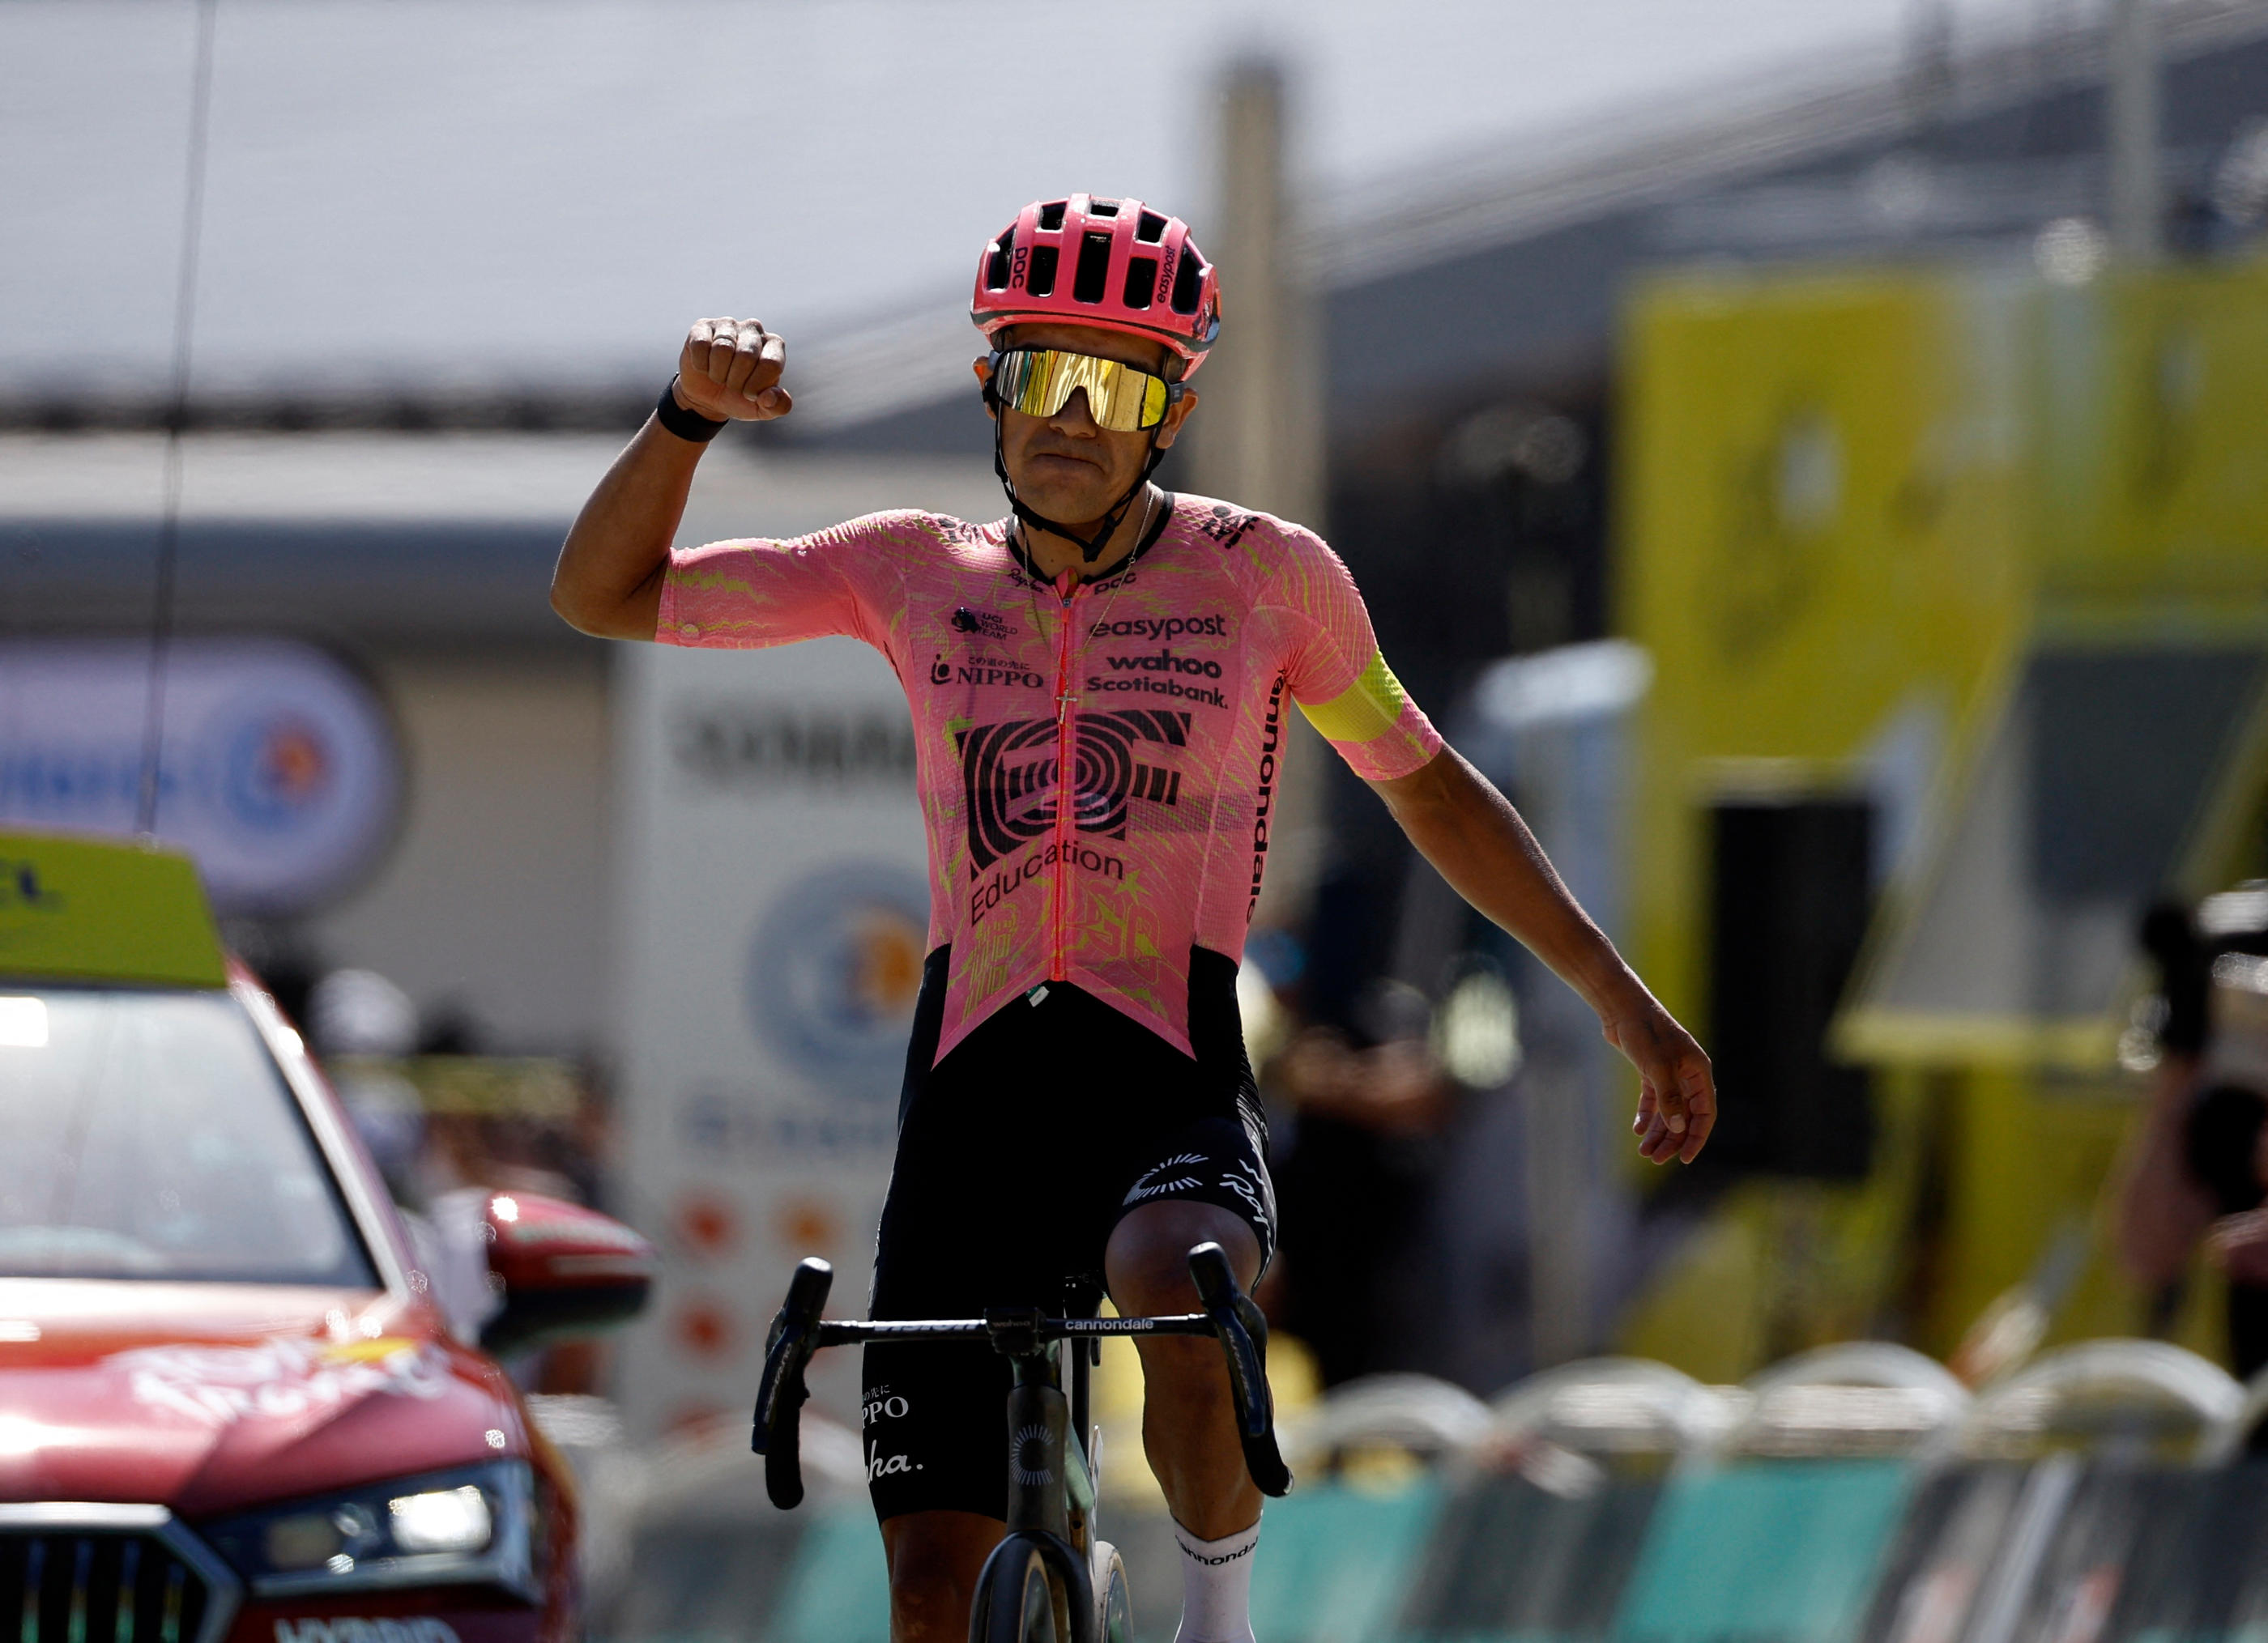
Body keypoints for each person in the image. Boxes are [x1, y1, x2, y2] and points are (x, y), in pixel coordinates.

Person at [551, 194, 1715, 1643]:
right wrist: (682, 421)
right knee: (925, 1594)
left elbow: (1434, 796)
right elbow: (601, 593)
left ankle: (1214, 1619)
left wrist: (1622, 1001)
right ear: (992, 385)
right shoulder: (907, 570)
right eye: (1042, 373)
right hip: (973, 1098)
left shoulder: (1266, 579)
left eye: (1116, 385)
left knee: (1180, 1273)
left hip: (1161, 1075)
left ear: (1170, 410)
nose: (1073, 417)